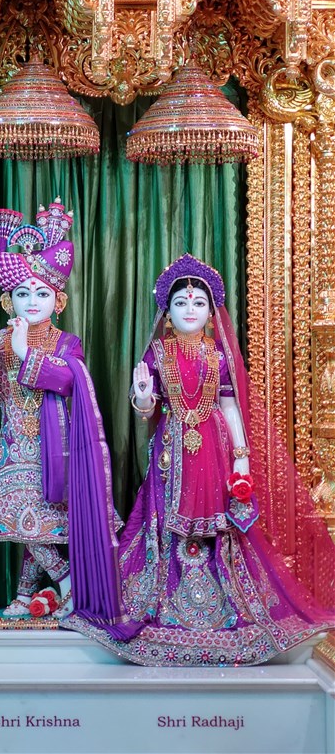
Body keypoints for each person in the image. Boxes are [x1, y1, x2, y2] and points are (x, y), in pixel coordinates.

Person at [62, 254, 334, 665]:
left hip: (215, 447)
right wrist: (142, 396)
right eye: (181, 303)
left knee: (223, 523)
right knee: (162, 519)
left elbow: (230, 408)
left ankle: (226, 602)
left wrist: (241, 459)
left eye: (198, 303)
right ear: (167, 313)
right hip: (172, 450)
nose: (190, 309)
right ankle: (164, 599)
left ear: (211, 313)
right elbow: (146, 409)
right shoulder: (157, 353)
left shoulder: (219, 356)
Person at [0, 199, 123, 623]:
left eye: (42, 293)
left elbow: (68, 381)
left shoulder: (67, 342)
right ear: (8, 299)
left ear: (58, 301)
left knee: (38, 520)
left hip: (56, 449)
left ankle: (44, 589)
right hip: (13, 447)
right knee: (25, 518)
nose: (32, 301)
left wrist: (27, 351)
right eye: (23, 293)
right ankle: (54, 586)